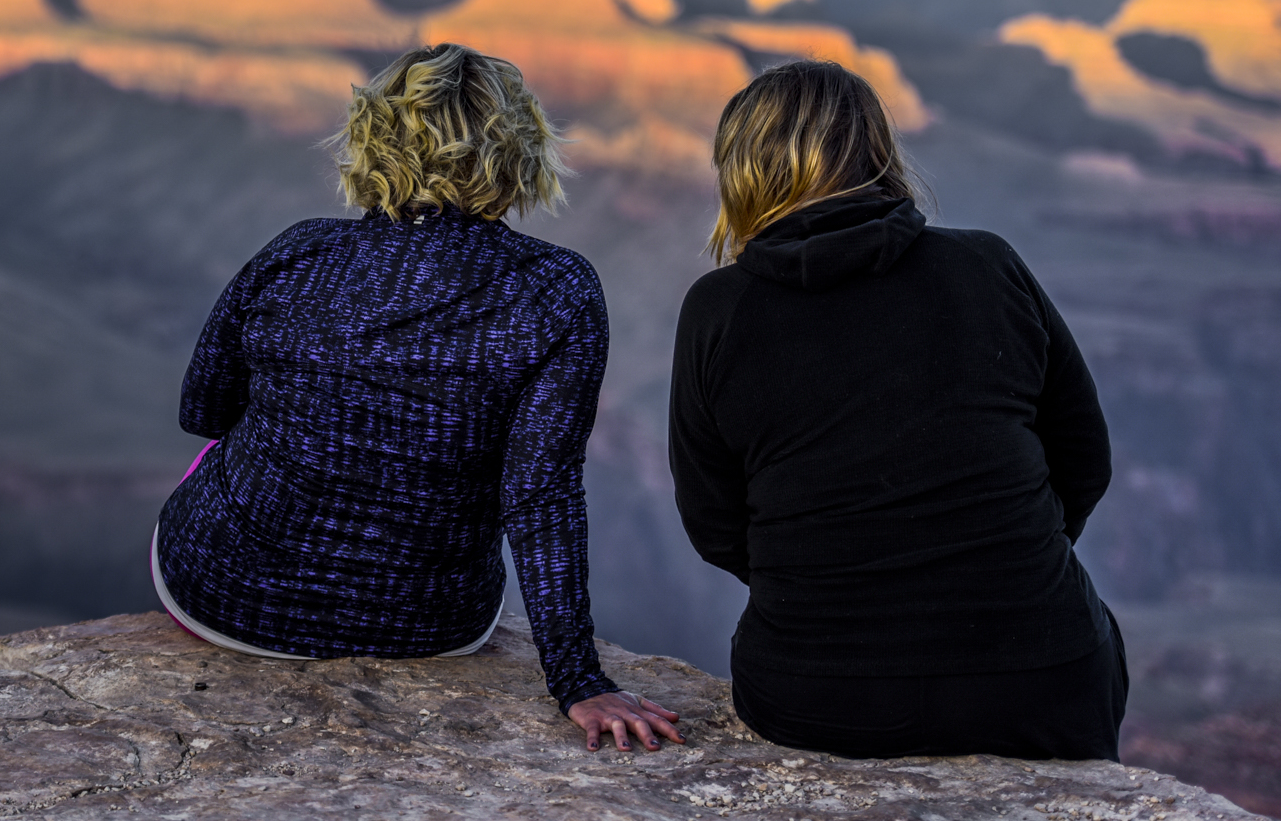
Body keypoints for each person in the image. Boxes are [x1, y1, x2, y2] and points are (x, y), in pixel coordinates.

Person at [153, 43, 683, 752]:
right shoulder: (558, 289)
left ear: (373, 140)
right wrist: (578, 680)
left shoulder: (298, 251)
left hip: (227, 597)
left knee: (225, 453)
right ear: (519, 152)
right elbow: (540, 494)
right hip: (427, 623)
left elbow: (203, 412)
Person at [669, 59, 1125, 760]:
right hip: (1040, 678)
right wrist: (997, 562)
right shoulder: (988, 267)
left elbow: (714, 522)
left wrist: (833, 582)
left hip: (816, 693)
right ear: (878, 152)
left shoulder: (717, 311)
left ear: (743, 170)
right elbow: (1083, 458)